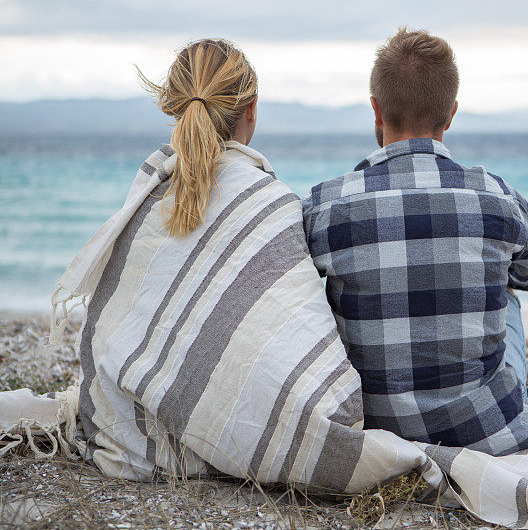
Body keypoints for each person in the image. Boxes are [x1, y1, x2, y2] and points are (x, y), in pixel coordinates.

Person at [61, 39, 364, 483]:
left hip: (125, 434)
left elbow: (117, 324)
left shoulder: (149, 194)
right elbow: (293, 336)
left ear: (176, 108)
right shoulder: (271, 203)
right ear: (252, 110)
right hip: (237, 442)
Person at [302, 28, 528, 456]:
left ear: (376, 110)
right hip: (486, 431)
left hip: (374, 429)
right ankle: (514, 394)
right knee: (509, 294)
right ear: (452, 113)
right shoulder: (497, 196)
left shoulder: (324, 205)